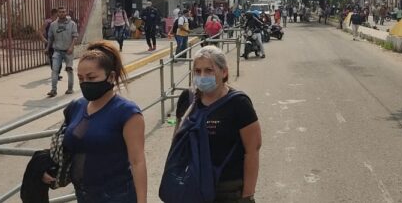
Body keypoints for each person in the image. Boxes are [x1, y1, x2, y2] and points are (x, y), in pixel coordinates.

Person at [43, 41, 147, 203]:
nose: (85, 83)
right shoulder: (76, 107)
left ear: (111, 77)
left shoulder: (127, 113)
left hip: (117, 197)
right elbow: (70, 144)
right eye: (81, 78)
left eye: (91, 77)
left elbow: (137, 161)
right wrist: (48, 167)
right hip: (84, 196)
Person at [169, 46, 261, 203]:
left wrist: (247, 196)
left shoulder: (239, 103)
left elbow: (252, 152)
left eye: (209, 70)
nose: (202, 76)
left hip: (228, 191)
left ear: (224, 72)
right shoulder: (187, 99)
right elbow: (177, 141)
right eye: (197, 71)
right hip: (192, 186)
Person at [47, 7, 78, 97]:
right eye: (60, 12)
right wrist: (47, 48)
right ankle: (53, 90)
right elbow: (50, 37)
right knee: (55, 70)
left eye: (63, 12)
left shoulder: (72, 24)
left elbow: (75, 36)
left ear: (66, 13)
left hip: (68, 51)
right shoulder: (53, 25)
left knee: (69, 69)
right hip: (57, 51)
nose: (62, 13)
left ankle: (70, 88)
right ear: (57, 13)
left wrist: (71, 47)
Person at [42, 9, 62, 82]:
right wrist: (43, 39)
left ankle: (57, 74)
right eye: (58, 14)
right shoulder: (47, 22)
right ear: (54, 14)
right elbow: (39, 31)